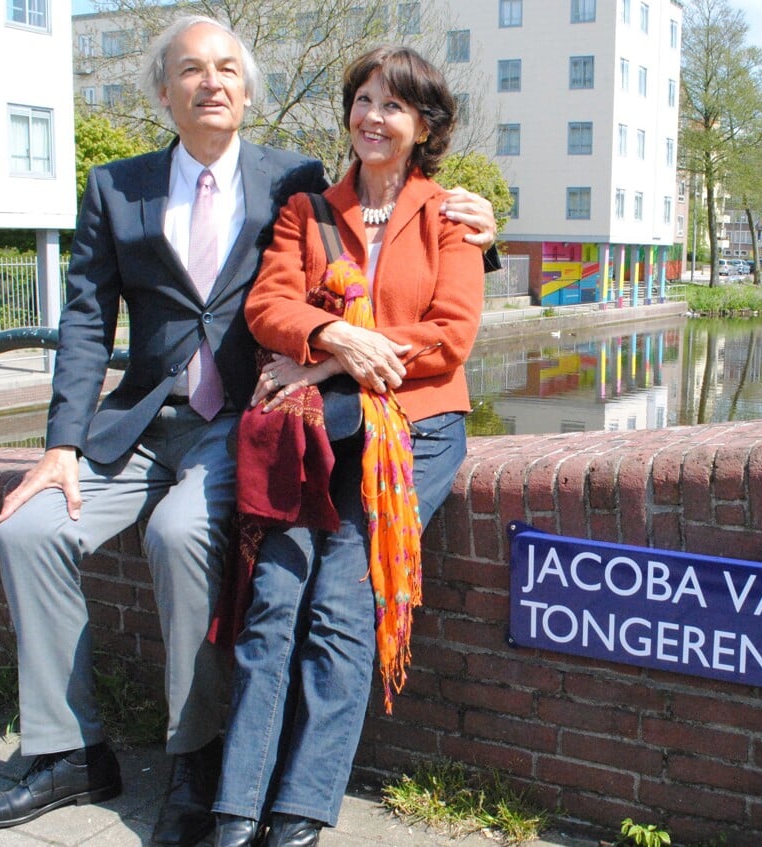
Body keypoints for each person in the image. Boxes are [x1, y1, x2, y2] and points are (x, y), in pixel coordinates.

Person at [0, 17, 495, 847]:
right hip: (144, 421)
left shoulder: (293, 179)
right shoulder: (121, 186)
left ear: (247, 91)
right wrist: (61, 444)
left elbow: (423, 292)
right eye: (190, 71)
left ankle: (200, 764)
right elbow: (93, 320)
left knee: (194, 545)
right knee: (29, 531)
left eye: (226, 71)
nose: (211, 83)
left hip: (255, 422)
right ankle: (68, 750)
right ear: (163, 90)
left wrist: (478, 238)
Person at [208, 45, 485, 847]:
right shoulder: (307, 212)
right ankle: (235, 808)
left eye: (392, 105)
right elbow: (268, 306)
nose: (372, 116)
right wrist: (327, 331)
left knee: (338, 607)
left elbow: (449, 337)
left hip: (414, 430)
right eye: (363, 99)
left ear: (423, 125)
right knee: (270, 606)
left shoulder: (450, 218)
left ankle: (301, 809)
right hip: (314, 434)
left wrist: (329, 353)